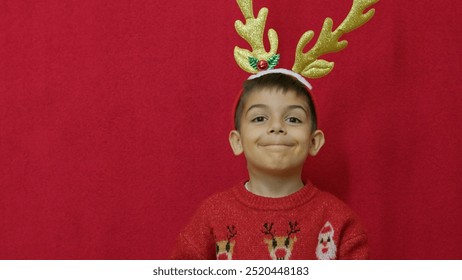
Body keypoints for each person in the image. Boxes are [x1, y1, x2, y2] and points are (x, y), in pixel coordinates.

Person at [170, 70, 369, 260]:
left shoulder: (339, 220)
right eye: (259, 118)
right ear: (237, 141)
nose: (276, 127)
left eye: (293, 119)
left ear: (313, 142)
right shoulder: (212, 215)